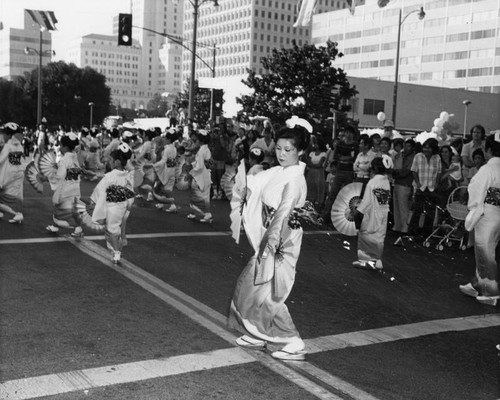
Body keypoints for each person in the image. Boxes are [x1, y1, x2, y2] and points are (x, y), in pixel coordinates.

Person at [228, 122, 311, 361]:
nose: (282, 154)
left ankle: (292, 340)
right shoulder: (281, 171)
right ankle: (258, 333)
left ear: (301, 151)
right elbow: (257, 181)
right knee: (252, 286)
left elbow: (284, 213)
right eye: (279, 149)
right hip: (271, 236)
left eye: (288, 150)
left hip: (280, 240)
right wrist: (251, 175)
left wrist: (270, 244)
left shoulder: (294, 179)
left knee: (268, 292)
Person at [459, 133, 500, 306]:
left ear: (490, 150)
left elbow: (475, 188)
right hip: (497, 212)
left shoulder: (487, 169)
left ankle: (491, 292)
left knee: (485, 251)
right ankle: (477, 283)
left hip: (486, 212)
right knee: (487, 249)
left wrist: (474, 208)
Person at [90, 143, 135, 264]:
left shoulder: (109, 176)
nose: (109, 162)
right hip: (123, 207)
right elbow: (131, 193)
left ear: (117, 162)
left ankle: (116, 252)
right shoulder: (128, 176)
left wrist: (93, 201)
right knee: (116, 229)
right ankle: (118, 246)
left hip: (112, 207)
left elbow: (100, 189)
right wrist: (128, 205)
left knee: (112, 230)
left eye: (111, 160)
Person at [352, 156, 393, 270]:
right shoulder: (386, 181)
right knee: (379, 237)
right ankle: (378, 260)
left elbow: (367, 201)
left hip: (372, 213)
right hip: (383, 211)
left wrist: (358, 212)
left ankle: (366, 261)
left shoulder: (373, 182)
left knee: (366, 236)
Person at [45, 133, 84, 237]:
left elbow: (59, 176)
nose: (60, 148)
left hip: (65, 190)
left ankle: (68, 226)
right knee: (74, 211)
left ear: (65, 147)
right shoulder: (74, 156)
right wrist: (57, 166)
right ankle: (77, 228)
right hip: (75, 188)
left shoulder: (64, 159)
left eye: (61, 145)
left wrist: (48, 177)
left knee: (60, 209)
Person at [322, 125, 358, 224]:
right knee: (332, 194)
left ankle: (344, 218)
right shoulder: (340, 144)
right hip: (340, 171)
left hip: (350, 172)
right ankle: (326, 216)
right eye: (347, 132)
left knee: (347, 196)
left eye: (350, 132)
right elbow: (336, 157)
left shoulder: (355, 145)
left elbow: (354, 159)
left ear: (353, 134)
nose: (348, 134)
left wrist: (343, 158)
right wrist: (346, 158)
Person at [408, 138, 442, 237]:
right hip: (421, 187)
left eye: (429, 148)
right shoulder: (418, 156)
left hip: (431, 188)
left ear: (433, 149)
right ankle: (412, 233)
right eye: (425, 147)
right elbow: (413, 170)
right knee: (417, 211)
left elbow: (439, 172)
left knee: (430, 214)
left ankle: (426, 235)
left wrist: (436, 184)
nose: (426, 150)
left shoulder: (437, 158)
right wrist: (418, 183)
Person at [0, 123, 25, 223]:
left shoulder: (8, 145)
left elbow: (1, 159)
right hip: (18, 173)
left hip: (7, 176)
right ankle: (17, 213)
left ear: (9, 135)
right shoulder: (19, 145)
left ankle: (16, 214)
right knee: (16, 197)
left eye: (4, 133)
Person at [186, 130, 213, 222]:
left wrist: (190, 172)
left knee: (196, 194)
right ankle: (195, 212)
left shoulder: (201, 151)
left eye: (197, 139)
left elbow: (200, 166)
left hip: (200, 176)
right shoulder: (207, 149)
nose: (196, 140)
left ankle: (206, 213)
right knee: (204, 195)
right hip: (205, 175)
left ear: (200, 140)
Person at [392, 139, 416, 236]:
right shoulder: (401, 155)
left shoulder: (413, 157)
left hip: (405, 184)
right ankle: (397, 227)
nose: (406, 148)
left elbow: (406, 172)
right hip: (398, 183)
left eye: (408, 146)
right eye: (405, 146)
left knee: (403, 208)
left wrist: (394, 173)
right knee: (396, 207)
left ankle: (404, 228)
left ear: (413, 147)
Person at [153, 129, 178, 213]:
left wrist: (155, 165)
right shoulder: (174, 148)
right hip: (172, 170)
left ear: (169, 139)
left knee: (164, 188)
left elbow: (164, 161)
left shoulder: (167, 149)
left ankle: (172, 205)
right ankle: (161, 202)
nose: (165, 140)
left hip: (166, 171)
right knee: (165, 188)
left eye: (166, 138)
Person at [305, 135, 327, 208]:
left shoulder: (323, 154)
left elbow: (320, 164)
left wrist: (313, 165)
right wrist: (314, 165)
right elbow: (308, 162)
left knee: (318, 186)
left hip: (318, 173)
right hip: (311, 172)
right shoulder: (311, 153)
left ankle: (318, 202)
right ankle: (310, 201)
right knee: (310, 186)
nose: (316, 145)